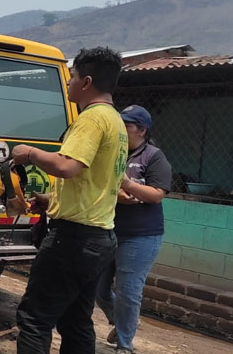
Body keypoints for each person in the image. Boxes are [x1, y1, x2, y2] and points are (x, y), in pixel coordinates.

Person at [10, 46, 129, 354]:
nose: (68, 83)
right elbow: (95, 183)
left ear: (87, 82)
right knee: (76, 321)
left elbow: (66, 166)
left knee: (34, 319)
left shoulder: (92, 119)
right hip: (99, 238)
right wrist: (51, 200)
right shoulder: (117, 122)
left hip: (72, 242)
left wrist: (29, 153)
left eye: (72, 76)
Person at [96, 105, 172, 353]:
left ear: (141, 130)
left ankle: (124, 345)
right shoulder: (113, 152)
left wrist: (129, 184)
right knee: (98, 288)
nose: (121, 129)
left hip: (141, 235)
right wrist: (118, 193)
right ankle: (123, 322)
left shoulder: (153, 157)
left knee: (128, 291)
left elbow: (156, 194)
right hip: (108, 228)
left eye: (126, 125)